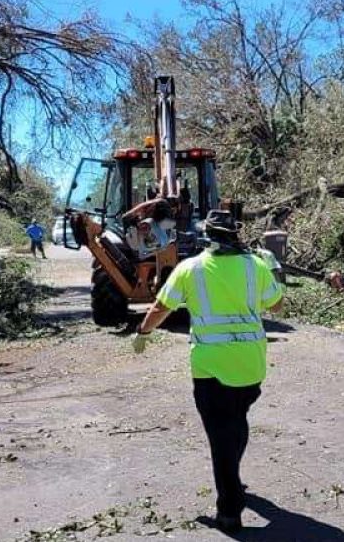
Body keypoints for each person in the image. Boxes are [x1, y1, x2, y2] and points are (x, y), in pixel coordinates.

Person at [132, 210, 284, 532]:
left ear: (206, 236)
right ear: (234, 235)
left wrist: (143, 333)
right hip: (250, 366)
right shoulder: (255, 265)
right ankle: (234, 479)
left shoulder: (190, 268)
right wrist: (272, 269)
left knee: (220, 437)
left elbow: (162, 307)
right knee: (236, 421)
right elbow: (276, 305)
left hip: (210, 369)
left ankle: (229, 509)